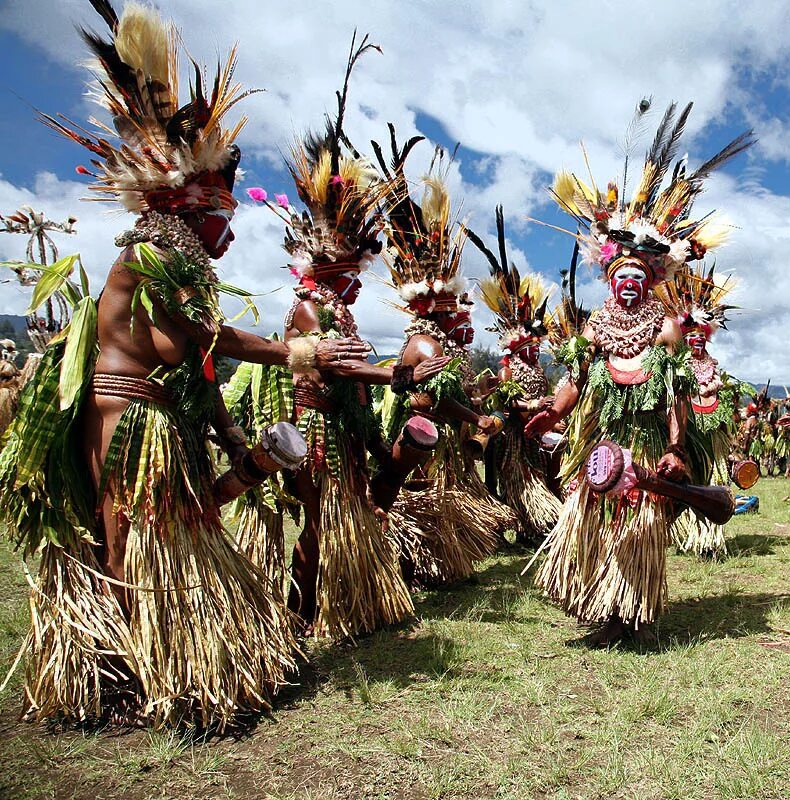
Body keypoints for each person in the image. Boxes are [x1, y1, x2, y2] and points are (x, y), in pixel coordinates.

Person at [0, 1, 367, 728]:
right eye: (224, 221)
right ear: (194, 207)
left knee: (183, 519)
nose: (229, 241)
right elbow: (208, 342)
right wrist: (305, 350)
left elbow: (195, 365)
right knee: (134, 537)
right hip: (126, 414)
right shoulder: (149, 257)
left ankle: (179, 664)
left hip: (159, 412)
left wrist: (236, 441)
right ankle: (126, 675)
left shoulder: (178, 263)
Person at [526, 101, 753, 645]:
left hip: (650, 440)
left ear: (650, 282)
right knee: (596, 519)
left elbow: (676, 394)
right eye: (620, 276)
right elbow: (577, 380)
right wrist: (550, 414)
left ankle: (635, 612)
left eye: (638, 278)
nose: (628, 285)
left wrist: (676, 447)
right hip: (605, 442)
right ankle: (605, 607)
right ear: (609, 280)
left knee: (643, 521)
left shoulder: (667, 329)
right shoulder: (595, 326)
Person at [234, 36, 416, 638]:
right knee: (317, 522)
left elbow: (351, 364)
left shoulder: (342, 311)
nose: (358, 286)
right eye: (349, 275)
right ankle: (298, 610)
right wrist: (389, 374)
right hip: (316, 436)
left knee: (348, 516)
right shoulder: (310, 309)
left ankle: (345, 603)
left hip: (344, 429)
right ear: (327, 270)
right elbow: (335, 368)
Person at [373, 138, 515, 587]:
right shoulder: (428, 345)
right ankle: (414, 568)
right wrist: (477, 417)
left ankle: (432, 566)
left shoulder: (441, 346)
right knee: (420, 498)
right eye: (457, 308)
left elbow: (448, 393)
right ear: (437, 306)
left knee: (434, 498)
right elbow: (434, 402)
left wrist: (478, 397)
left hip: (437, 441)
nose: (464, 316)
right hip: (422, 441)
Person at [466, 207, 562, 544]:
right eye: (530, 347)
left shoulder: (538, 368)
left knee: (534, 476)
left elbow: (546, 395)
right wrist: (535, 404)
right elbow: (508, 401)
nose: (536, 351)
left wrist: (550, 414)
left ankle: (530, 528)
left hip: (532, 438)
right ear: (517, 345)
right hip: (511, 438)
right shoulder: (508, 368)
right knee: (518, 481)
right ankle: (526, 524)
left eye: (538, 346)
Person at [659, 263, 749, 559]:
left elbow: (724, 407)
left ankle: (710, 538)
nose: (696, 341)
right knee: (691, 479)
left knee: (714, 477)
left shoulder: (714, 367)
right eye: (691, 337)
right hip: (688, 434)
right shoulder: (675, 364)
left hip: (714, 436)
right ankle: (689, 533)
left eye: (701, 337)